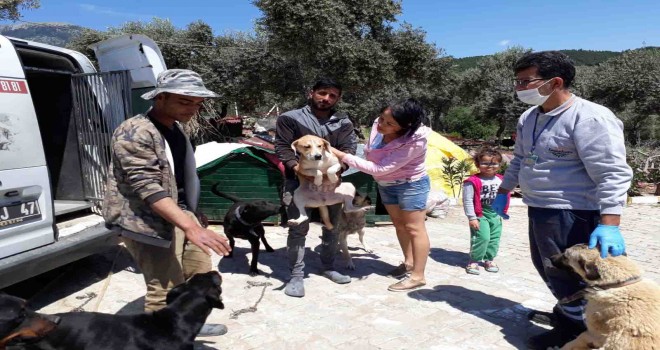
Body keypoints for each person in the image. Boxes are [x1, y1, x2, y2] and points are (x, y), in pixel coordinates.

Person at [490, 51, 633, 349]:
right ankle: (568, 315)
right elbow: (519, 159)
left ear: (555, 82)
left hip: (574, 212)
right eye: (517, 81)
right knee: (548, 268)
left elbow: (612, 173)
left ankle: (577, 332)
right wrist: (503, 191)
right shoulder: (529, 117)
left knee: (572, 274)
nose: (519, 87)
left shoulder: (590, 117)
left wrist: (610, 223)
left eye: (526, 81)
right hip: (540, 208)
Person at [103, 69, 232, 337]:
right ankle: (159, 338)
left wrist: (194, 216)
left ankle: (187, 325)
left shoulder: (176, 129)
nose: (193, 109)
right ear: (160, 97)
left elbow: (180, 177)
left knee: (199, 276)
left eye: (197, 104)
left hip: (182, 215)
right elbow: (147, 187)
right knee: (164, 287)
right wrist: (191, 227)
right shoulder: (134, 131)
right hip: (147, 222)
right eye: (185, 101)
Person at [331, 98, 431, 292]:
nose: (382, 125)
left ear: (406, 126)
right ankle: (408, 263)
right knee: (400, 225)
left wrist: (341, 155)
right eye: (382, 118)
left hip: (411, 185)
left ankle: (418, 276)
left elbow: (381, 168)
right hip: (386, 185)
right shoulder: (379, 124)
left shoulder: (415, 142)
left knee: (414, 228)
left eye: (390, 123)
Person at [274, 78, 358, 298]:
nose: (326, 99)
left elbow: (349, 149)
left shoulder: (344, 122)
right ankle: (296, 275)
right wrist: (296, 168)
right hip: (298, 181)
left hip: (331, 182)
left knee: (332, 227)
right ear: (311, 93)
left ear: (337, 99)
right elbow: (282, 147)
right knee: (298, 227)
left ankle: (328, 266)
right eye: (322, 93)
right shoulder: (290, 118)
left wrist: (338, 171)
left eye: (332, 95)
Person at [462, 147, 510, 275]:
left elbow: (504, 196)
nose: (490, 166)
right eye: (485, 163)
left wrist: (502, 211)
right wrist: (472, 217)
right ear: (477, 164)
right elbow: (467, 200)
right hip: (480, 213)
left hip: (495, 213)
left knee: (494, 238)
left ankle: (489, 258)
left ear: (499, 165)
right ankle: (474, 260)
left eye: (494, 163)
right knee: (482, 237)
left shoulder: (501, 179)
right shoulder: (472, 182)